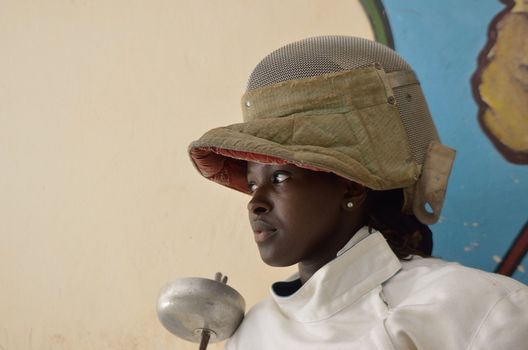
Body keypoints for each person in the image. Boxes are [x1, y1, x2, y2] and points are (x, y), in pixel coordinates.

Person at [188, 36, 528, 349]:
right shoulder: (252, 334)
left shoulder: (478, 309)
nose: (255, 203)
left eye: (279, 178)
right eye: (251, 184)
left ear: (351, 184)